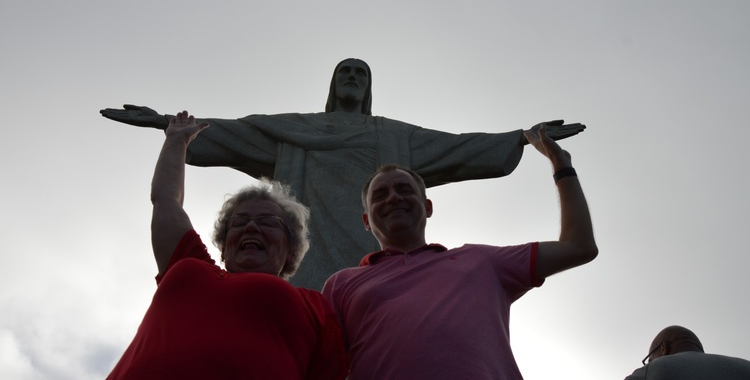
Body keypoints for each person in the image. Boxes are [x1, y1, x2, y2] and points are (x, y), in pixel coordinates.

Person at [100, 58, 585, 290]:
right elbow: (234, 132)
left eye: (360, 74)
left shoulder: (395, 136)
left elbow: (456, 147)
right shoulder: (295, 130)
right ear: (333, 85)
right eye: (345, 73)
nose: (352, 78)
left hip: (368, 250)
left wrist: (522, 136)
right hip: (302, 247)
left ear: (368, 88)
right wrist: (169, 125)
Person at [322, 123, 598, 380]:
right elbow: (320, 364)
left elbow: (578, 246)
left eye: (404, 190)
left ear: (428, 207)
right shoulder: (341, 284)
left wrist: (561, 167)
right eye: (380, 195)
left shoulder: (482, 261)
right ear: (366, 221)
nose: (393, 197)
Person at [106, 111, 347, 380]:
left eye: (267, 222)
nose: (251, 227)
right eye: (240, 221)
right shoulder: (189, 265)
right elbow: (166, 201)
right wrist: (176, 141)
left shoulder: (315, 306)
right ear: (223, 245)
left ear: (291, 249)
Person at [624, 325, 750, 379]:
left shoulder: (655, 369)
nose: (649, 364)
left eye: (650, 359)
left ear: (663, 347)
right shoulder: (746, 366)